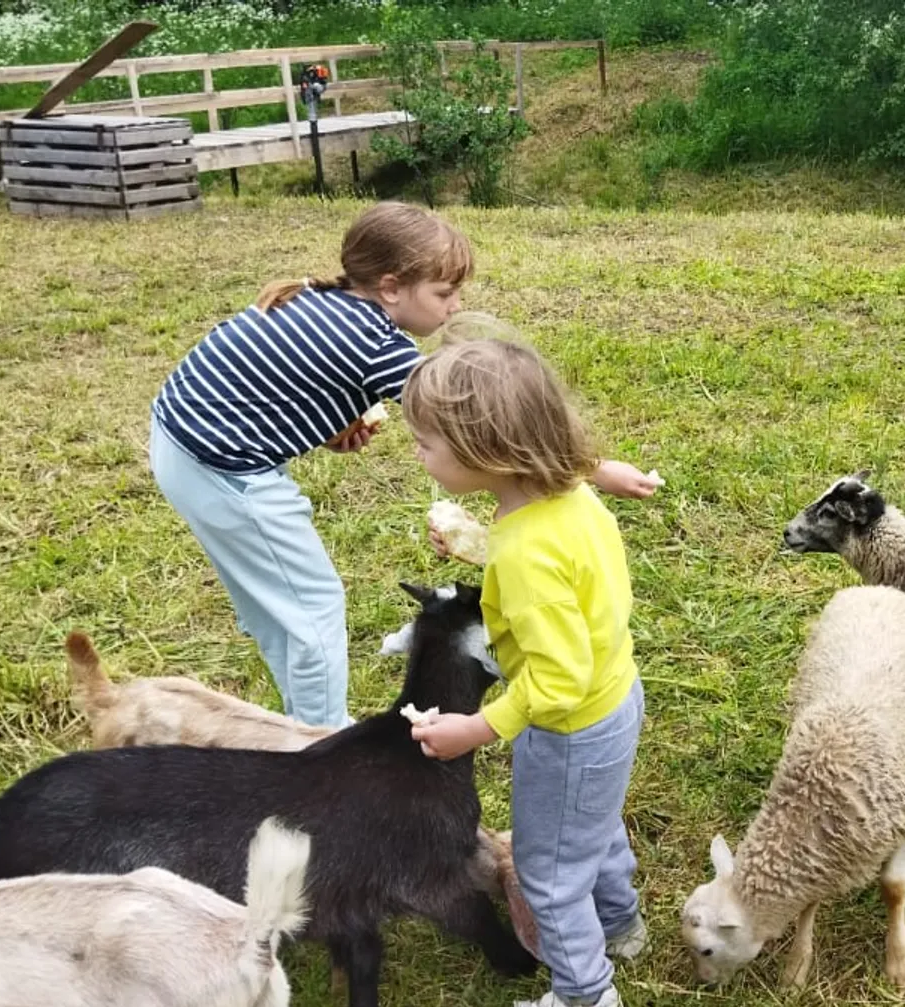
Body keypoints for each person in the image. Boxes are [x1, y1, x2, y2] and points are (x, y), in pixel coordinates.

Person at [148, 201, 656, 727]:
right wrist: (595, 468)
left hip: (182, 446)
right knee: (312, 605)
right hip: (224, 470)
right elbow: (483, 415)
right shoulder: (372, 342)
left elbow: (275, 387)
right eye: (443, 293)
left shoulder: (322, 300)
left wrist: (326, 426)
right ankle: (320, 738)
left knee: (279, 600)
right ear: (391, 288)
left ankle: (294, 684)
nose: (455, 307)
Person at [405, 338, 648, 1007]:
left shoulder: (526, 553)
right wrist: (485, 547)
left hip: (570, 723)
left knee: (546, 873)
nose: (417, 451)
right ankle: (620, 926)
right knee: (592, 830)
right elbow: (558, 582)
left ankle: (587, 1001)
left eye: (427, 441)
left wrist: (477, 729)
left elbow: (555, 677)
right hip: (614, 696)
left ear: (488, 449)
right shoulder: (567, 499)